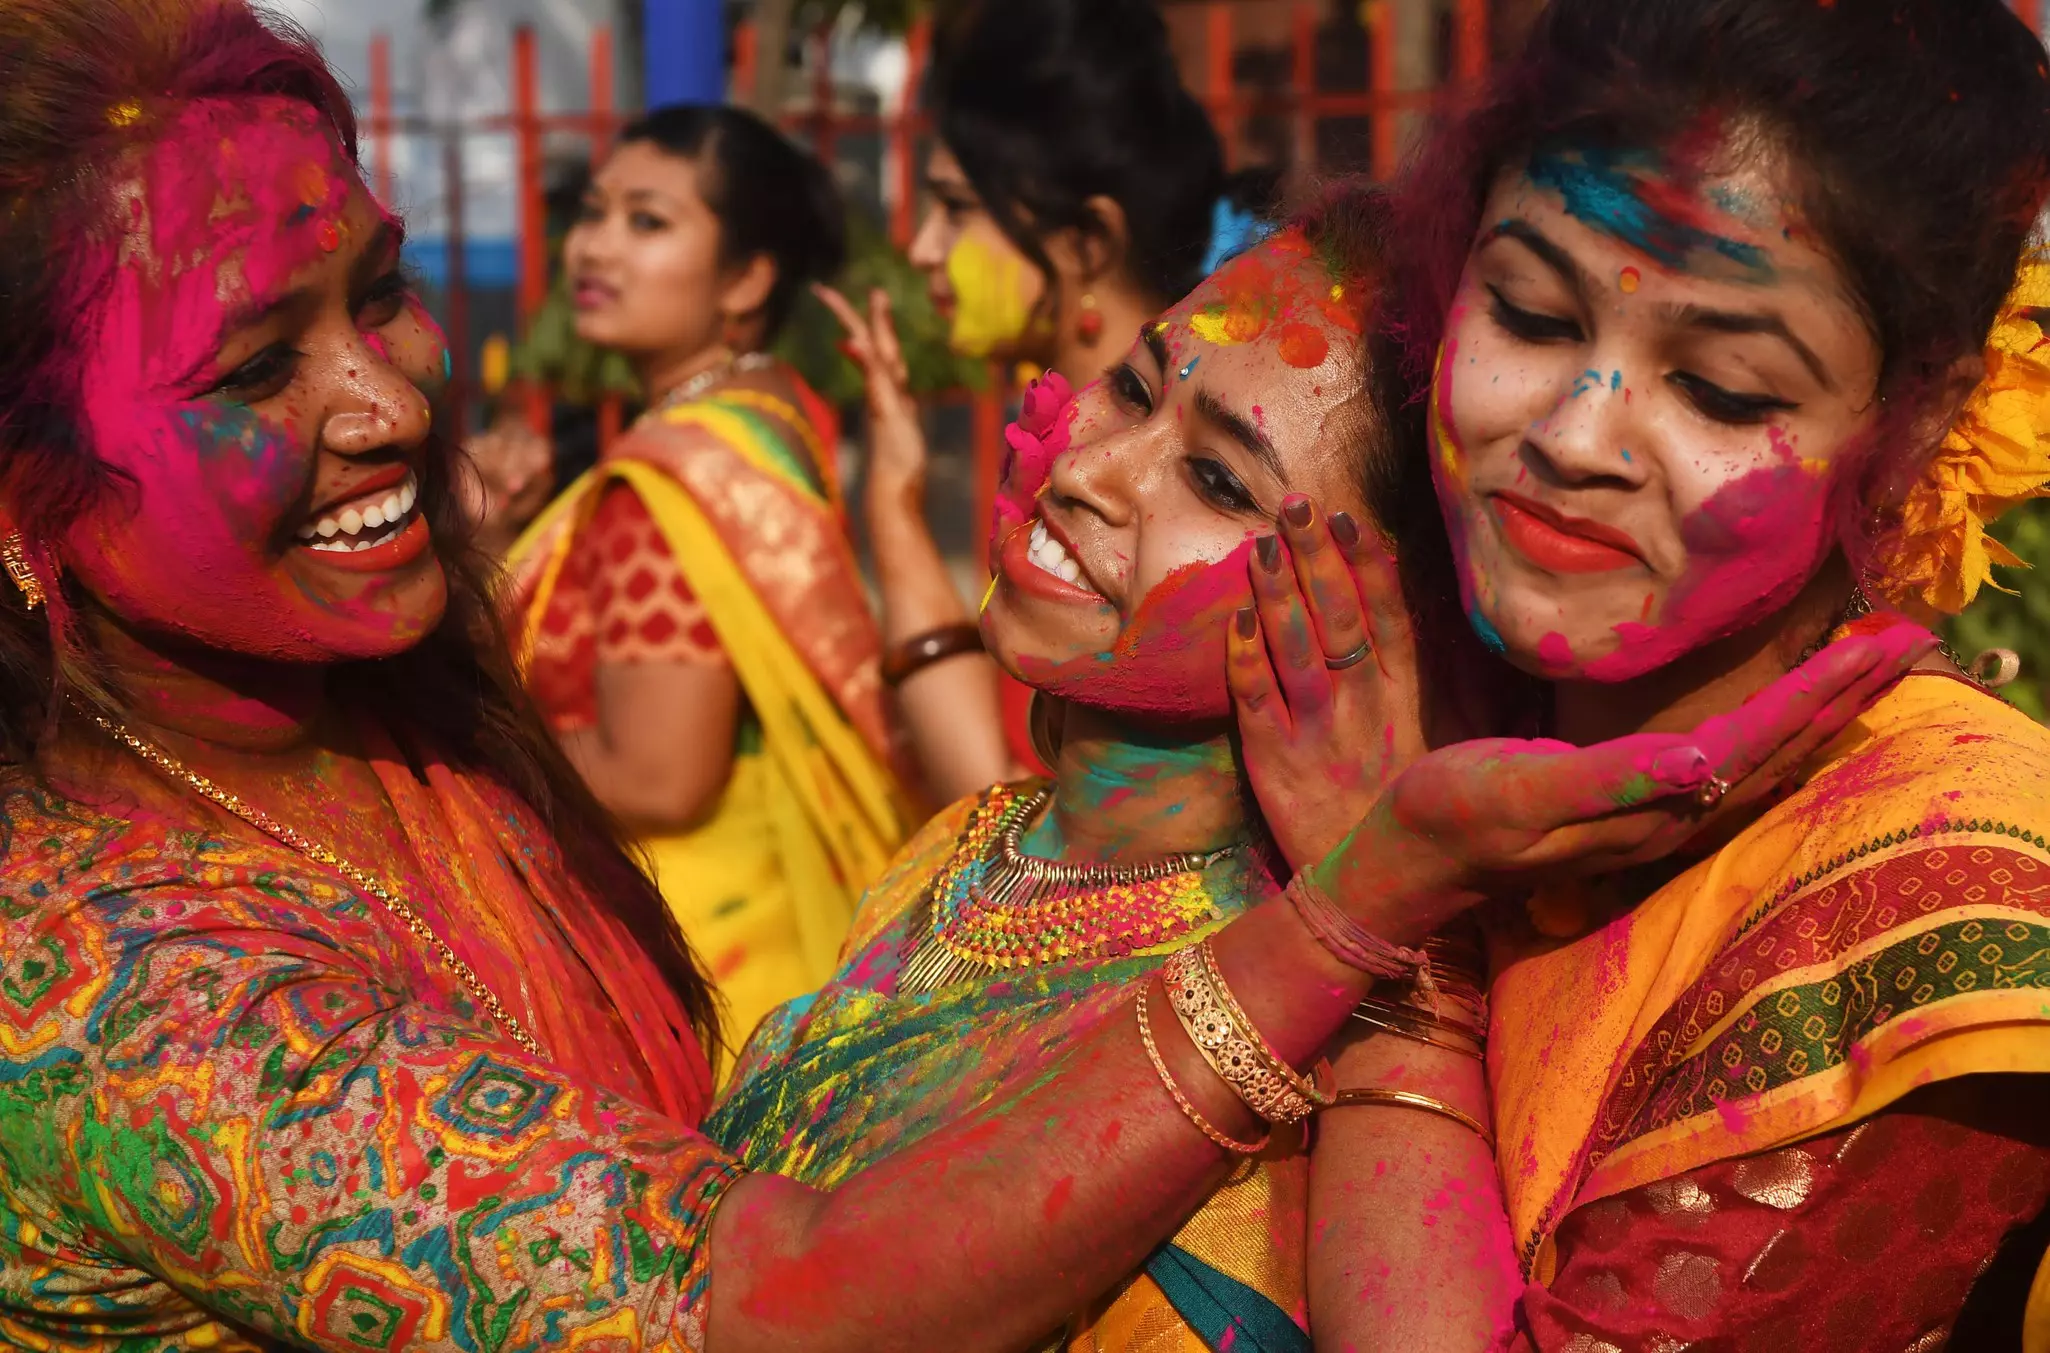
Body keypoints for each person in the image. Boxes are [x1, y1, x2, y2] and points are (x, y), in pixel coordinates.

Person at [0, 8, 1899, 1350]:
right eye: (256, 370)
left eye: (386, 289)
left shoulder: (1280, 971)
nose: (398, 395)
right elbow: (762, 1293)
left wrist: (1367, 938)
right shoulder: (114, 985)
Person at [708, 202, 1929, 1346]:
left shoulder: (1309, 1039)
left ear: (1383, 615)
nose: (1092, 470)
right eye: (1134, 387)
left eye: (1219, 481)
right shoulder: (971, 845)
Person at [1243, 1, 2050, 1347]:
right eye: (1530, 312)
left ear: (1914, 425)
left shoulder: (1940, 901)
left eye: (1724, 391)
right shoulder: (1379, 684)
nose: (1573, 435)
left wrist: (1385, 941)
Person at [500, 105, 914, 1053]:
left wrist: (471, 740)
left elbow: (658, 775)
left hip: (702, 960)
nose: (595, 247)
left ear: (747, 277)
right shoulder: (768, 417)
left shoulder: (671, 479)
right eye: (595, 212)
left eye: (648, 222)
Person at [822, 0, 1281, 801]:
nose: (925, 247)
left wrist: (895, 514)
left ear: (1085, 244)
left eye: (959, 211)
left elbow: (1004, 798)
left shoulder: (1114, 482)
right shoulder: (1066, 438)